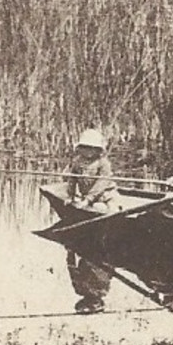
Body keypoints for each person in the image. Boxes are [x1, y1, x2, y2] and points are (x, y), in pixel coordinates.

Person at [63, 128, 117, 314]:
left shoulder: (103, 164)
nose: (87, 152)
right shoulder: (77, 162)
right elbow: (72, 180)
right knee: (84, 211)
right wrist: (70, 197)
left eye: (91, 148)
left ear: (97, 150)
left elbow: (102, 183)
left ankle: (107, 236)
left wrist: (88, 200)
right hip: (87, 197)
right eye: (84, 147)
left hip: (104, 196)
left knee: (108, 213)